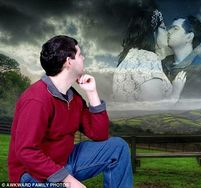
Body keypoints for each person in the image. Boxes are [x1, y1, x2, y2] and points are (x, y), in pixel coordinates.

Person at [8, 35, 133, 188]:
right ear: (69, 62)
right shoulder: (36, 100)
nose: (83, 58)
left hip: (64, 160)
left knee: (118, 147)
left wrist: (92, 93)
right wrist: (68, 180)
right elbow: (26, 151)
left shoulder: (73, 97)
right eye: (80, 55)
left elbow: (100, 135)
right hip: (31, 175)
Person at [112, 9, 186, 102]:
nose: (167, 32)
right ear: (152, 32)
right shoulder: (148, 58)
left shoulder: (128, 58)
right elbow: (153, 107)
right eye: (163, 28)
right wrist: (176, 92)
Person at [162, 16, 201, 99]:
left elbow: (188, 108)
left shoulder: (199, 69)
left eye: (175, 29)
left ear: (189, 37)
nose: (168, 31)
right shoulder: (163, 62)